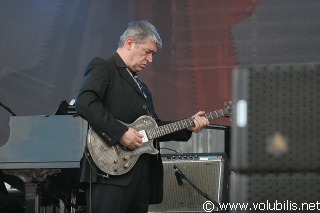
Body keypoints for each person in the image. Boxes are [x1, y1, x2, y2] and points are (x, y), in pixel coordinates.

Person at [75, 20, 209, 213]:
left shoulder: (142, 87)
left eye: (153, 54)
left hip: (140, 176)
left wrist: (187, 125)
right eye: (148, 51)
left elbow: (152, 130)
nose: (151, 59)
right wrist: (121, 133)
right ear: (130, 43)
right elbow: (85, 102)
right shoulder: (104, 67)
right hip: (109, 173)